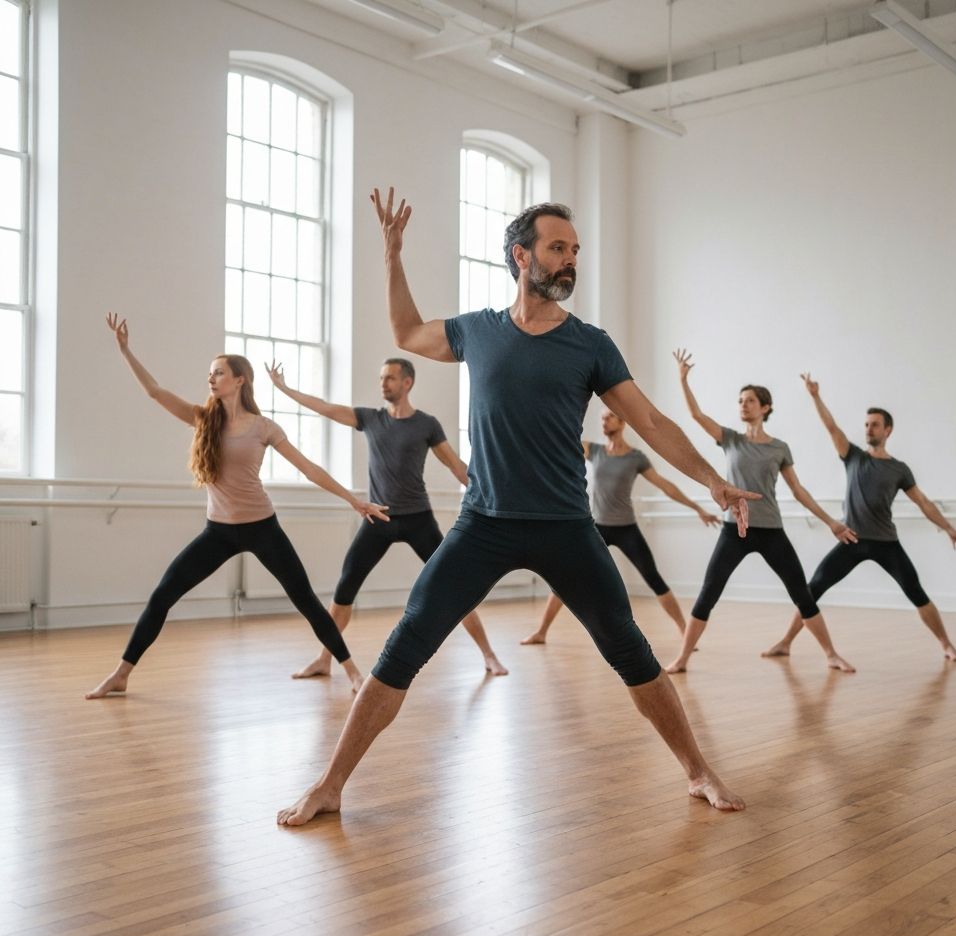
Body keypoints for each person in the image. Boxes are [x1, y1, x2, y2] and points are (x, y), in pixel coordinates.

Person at [277, 188, 761, 827]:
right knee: (404, 644)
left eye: (575, 251)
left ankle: (698, 770)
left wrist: (710, 479)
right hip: (484, 524)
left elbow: (648, 418)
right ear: (521, 256)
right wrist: (392, 256)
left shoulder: (590, 344)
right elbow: (406, 332)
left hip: (565, 525)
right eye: (558, 248)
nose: (570, 261)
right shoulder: (477, 331)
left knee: (629, 650)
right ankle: (331, 783)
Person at [85, 313, 388, 700]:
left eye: (218, 373)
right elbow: (156, 392)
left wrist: (354, 500)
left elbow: (309, 468)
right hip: (219, 532)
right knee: (163, 594)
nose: (211, 378)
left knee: (306, 600)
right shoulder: (203, 420)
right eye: (210, 374)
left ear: (239, 380)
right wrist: (126, 350)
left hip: (263, 528)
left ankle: (353, 673)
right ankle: (122, 674)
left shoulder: (263, 428)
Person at [265, 356, 507, 686]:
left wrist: (491, 495)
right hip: (378, 517)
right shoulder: (370, 419)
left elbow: (454, 464)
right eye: (381, 377)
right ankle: (325, 658)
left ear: (407, 383)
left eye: (390, 377)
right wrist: (285, 388)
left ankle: (489, 655)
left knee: (454, 587)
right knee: (345, 588)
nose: (383, 383)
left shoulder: (427, 424)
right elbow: (325, 408)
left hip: (419, 519)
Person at [672, 348, 857, 674]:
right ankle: (683, 658)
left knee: (802, 594)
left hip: (771, 531)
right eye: (740, 400)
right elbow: (697, 416)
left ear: (765, 408)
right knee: (708, 592)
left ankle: (830, 654)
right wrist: (683, 379)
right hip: (734, 530)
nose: (743, 405)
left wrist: (831, 522)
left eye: (750, 401)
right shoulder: (730, 439)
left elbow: (798, 491)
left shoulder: (779, 448)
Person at [764, 373, 956, 662]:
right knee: (812, 589)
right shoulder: (854, 456)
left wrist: (948, 528)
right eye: (866, 425)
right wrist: (815, 396)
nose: (869, 429)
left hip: (886, 542)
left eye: (875, 425)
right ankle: (785, 642)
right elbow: (831, 427)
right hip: (852, 539)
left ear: (888, 430)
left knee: (915, 591)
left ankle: (947, 645)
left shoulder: (899, 469)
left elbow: (923, 501)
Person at [521, 406, 720, 646]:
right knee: (566, 578)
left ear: (623, 422)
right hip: (596, 529)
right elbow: (561, 443)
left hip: (627, 529)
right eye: (602, 417)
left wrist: (697, 508)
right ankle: (541, 631)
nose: (604, 422)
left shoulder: (636, 458)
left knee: (654, 578)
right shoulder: (593, 450)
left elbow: (665, 485)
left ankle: (683, 630)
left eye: (609, 418)